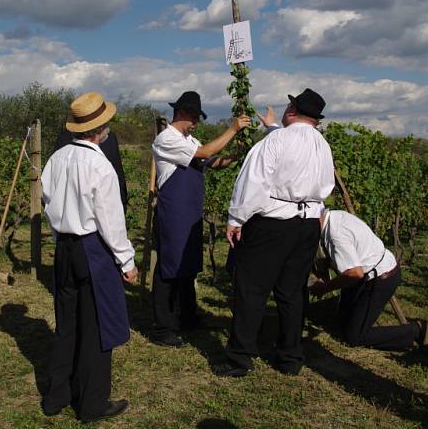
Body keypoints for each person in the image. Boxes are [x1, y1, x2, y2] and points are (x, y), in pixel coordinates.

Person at [216, 88, 335, 377]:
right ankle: (291, 356)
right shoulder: (322, 145)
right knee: (292, 292)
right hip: (308, 223)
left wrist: (236, 218)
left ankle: (240, 357)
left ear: (292, 111)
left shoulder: (276, 141)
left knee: (251, 289)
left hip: (273, 223)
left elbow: (253, 181)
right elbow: (325, 186)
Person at [41, 92, 136, 423]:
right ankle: (92, 403)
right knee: (96, 328)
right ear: (101, 128)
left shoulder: (56, 159)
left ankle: (57, 396)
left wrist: (59, 240)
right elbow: (111, 221)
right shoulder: (100, 165)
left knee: (67, 324)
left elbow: (49, 204)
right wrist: (127, 261)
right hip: (93, 249)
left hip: (65, 248)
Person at [150, 91, 250, 347]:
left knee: (188, 264)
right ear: (181, 112)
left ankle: (187, 316)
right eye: (194, 116)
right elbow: (205, 152)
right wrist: (233, 129)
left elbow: (214, 161)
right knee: (169, 267)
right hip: (173, 212)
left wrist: (239, 153)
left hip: (190, 212)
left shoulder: (189, 139)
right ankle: (163, 326)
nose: (196, 122)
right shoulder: (167, 139)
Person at [309, 209, 428, 350]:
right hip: (366, 275)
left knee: (354, 336)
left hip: (379, 279)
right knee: (341, 324)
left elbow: (355, 273)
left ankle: (416, 330)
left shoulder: (336, 234)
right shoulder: (334, 217)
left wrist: (325, 288)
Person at [53, 126, 128, 212]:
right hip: (97, 217)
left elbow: (48, 193)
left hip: (63, 217)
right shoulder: (103, 163)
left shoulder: (57, 156)